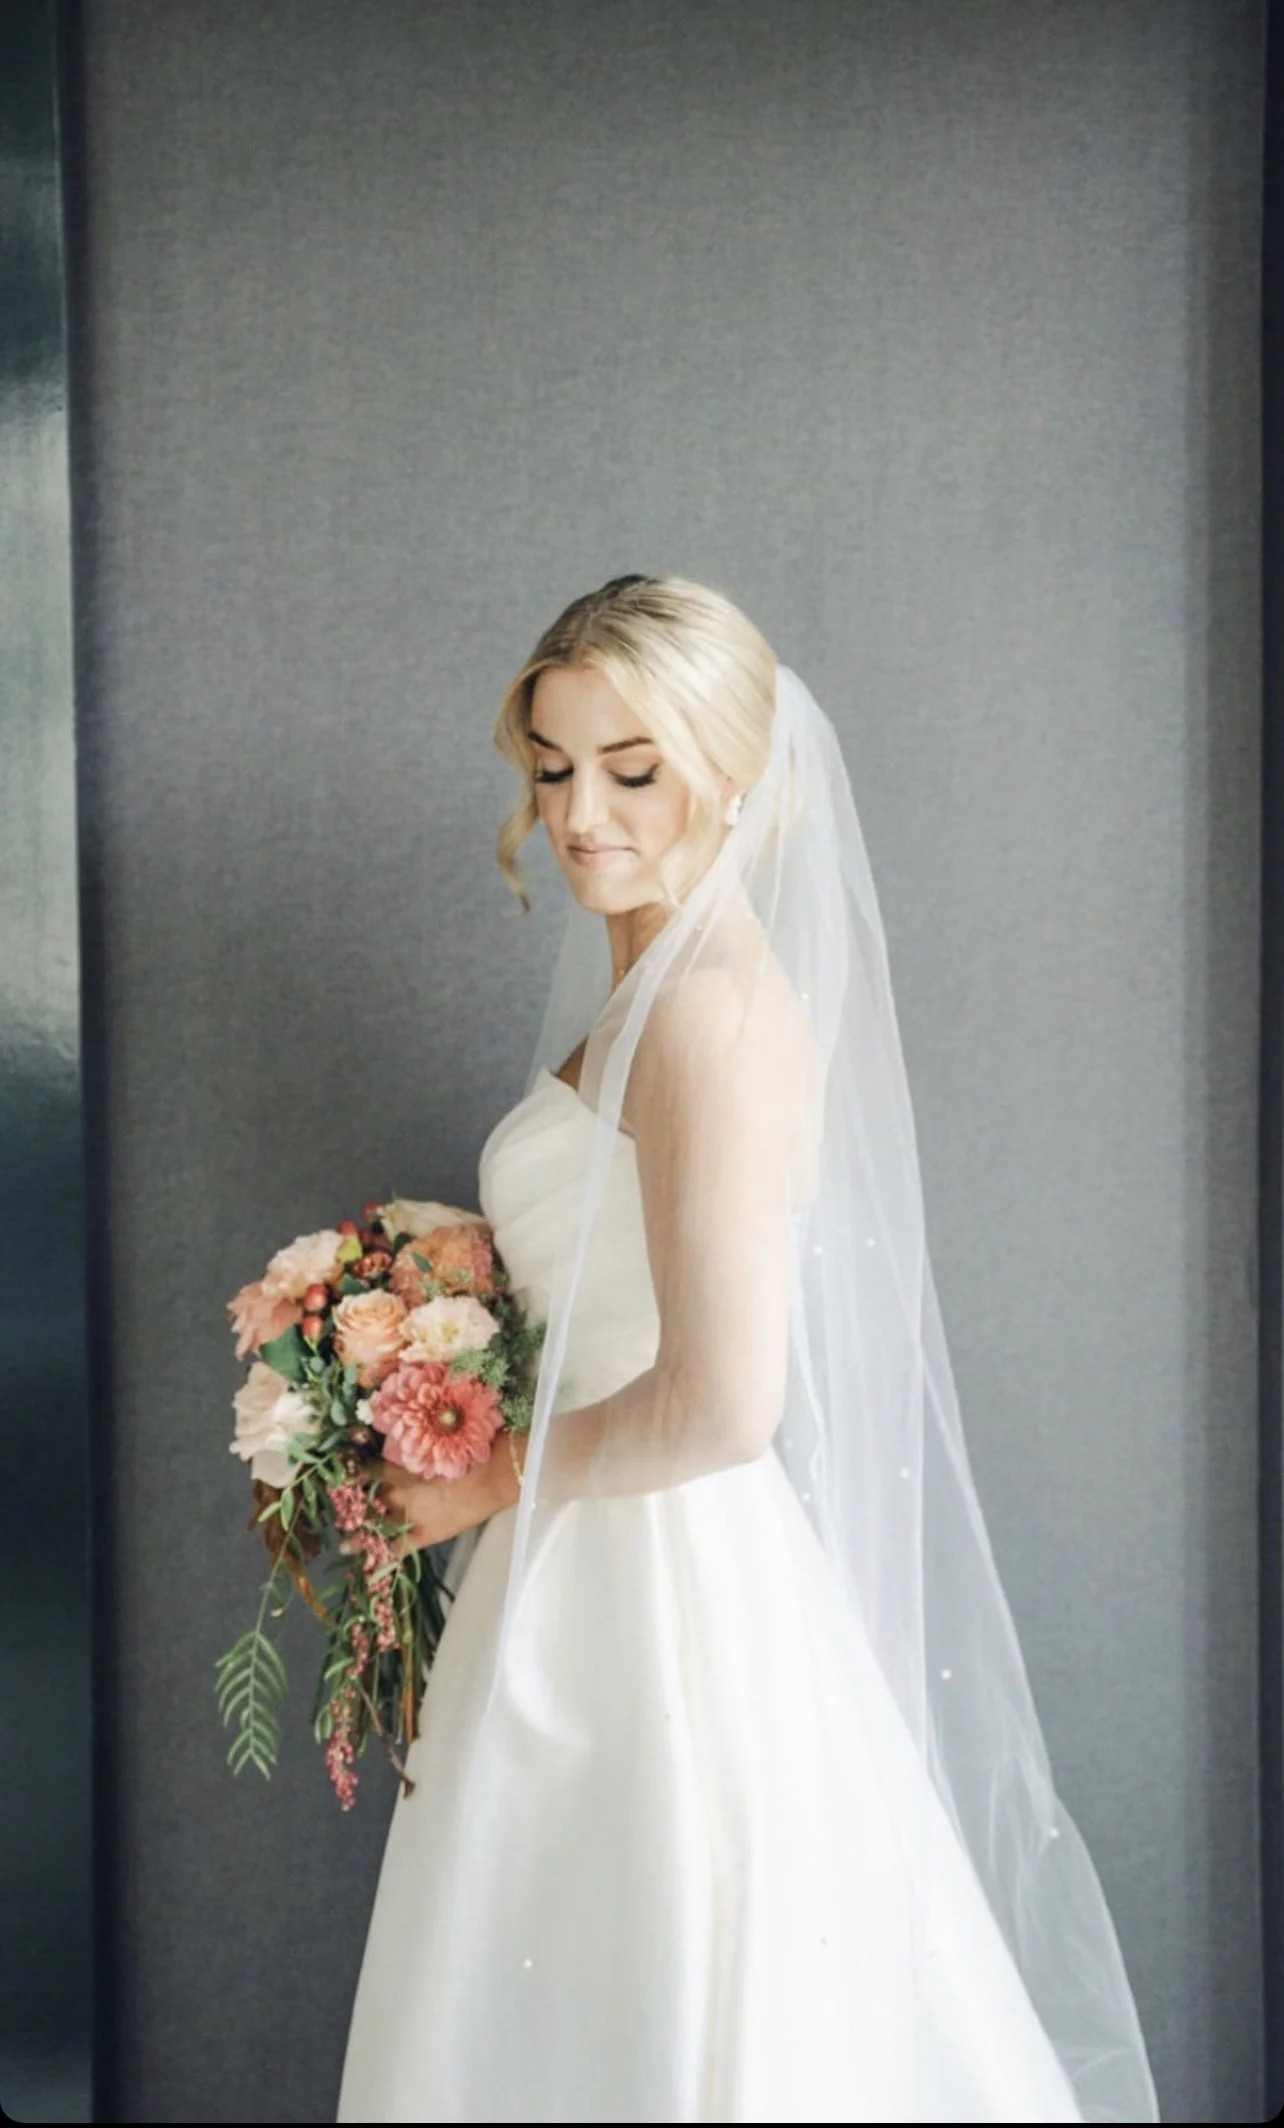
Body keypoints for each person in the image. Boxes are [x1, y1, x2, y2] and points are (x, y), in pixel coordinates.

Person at [336, 574, 1158, 2124]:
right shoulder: (651, 991)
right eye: (554, 767)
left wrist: (477, 1483)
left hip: (656, 1583)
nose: (580, 814)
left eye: (631, 768)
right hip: (582, 1555)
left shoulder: (709, 1012)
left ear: (737, 769)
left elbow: (722, 1403)